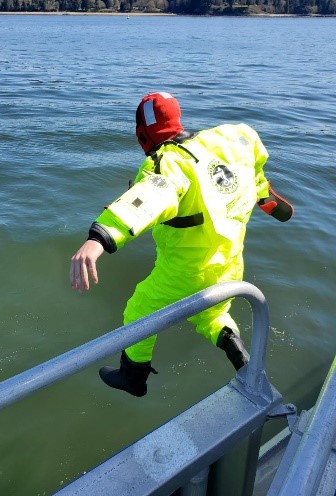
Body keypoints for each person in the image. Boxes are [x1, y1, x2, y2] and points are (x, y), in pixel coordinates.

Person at [70, 92, 293, 397]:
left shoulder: (166, 165)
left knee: (140, 309)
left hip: (186, 271)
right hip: (229, 263)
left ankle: (133, 378)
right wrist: (262, 192)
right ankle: (244, 363)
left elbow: (149, 197)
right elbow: (250, 152)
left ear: (142, 136)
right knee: (213, 315)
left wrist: (100, 237)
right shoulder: (225, 139)